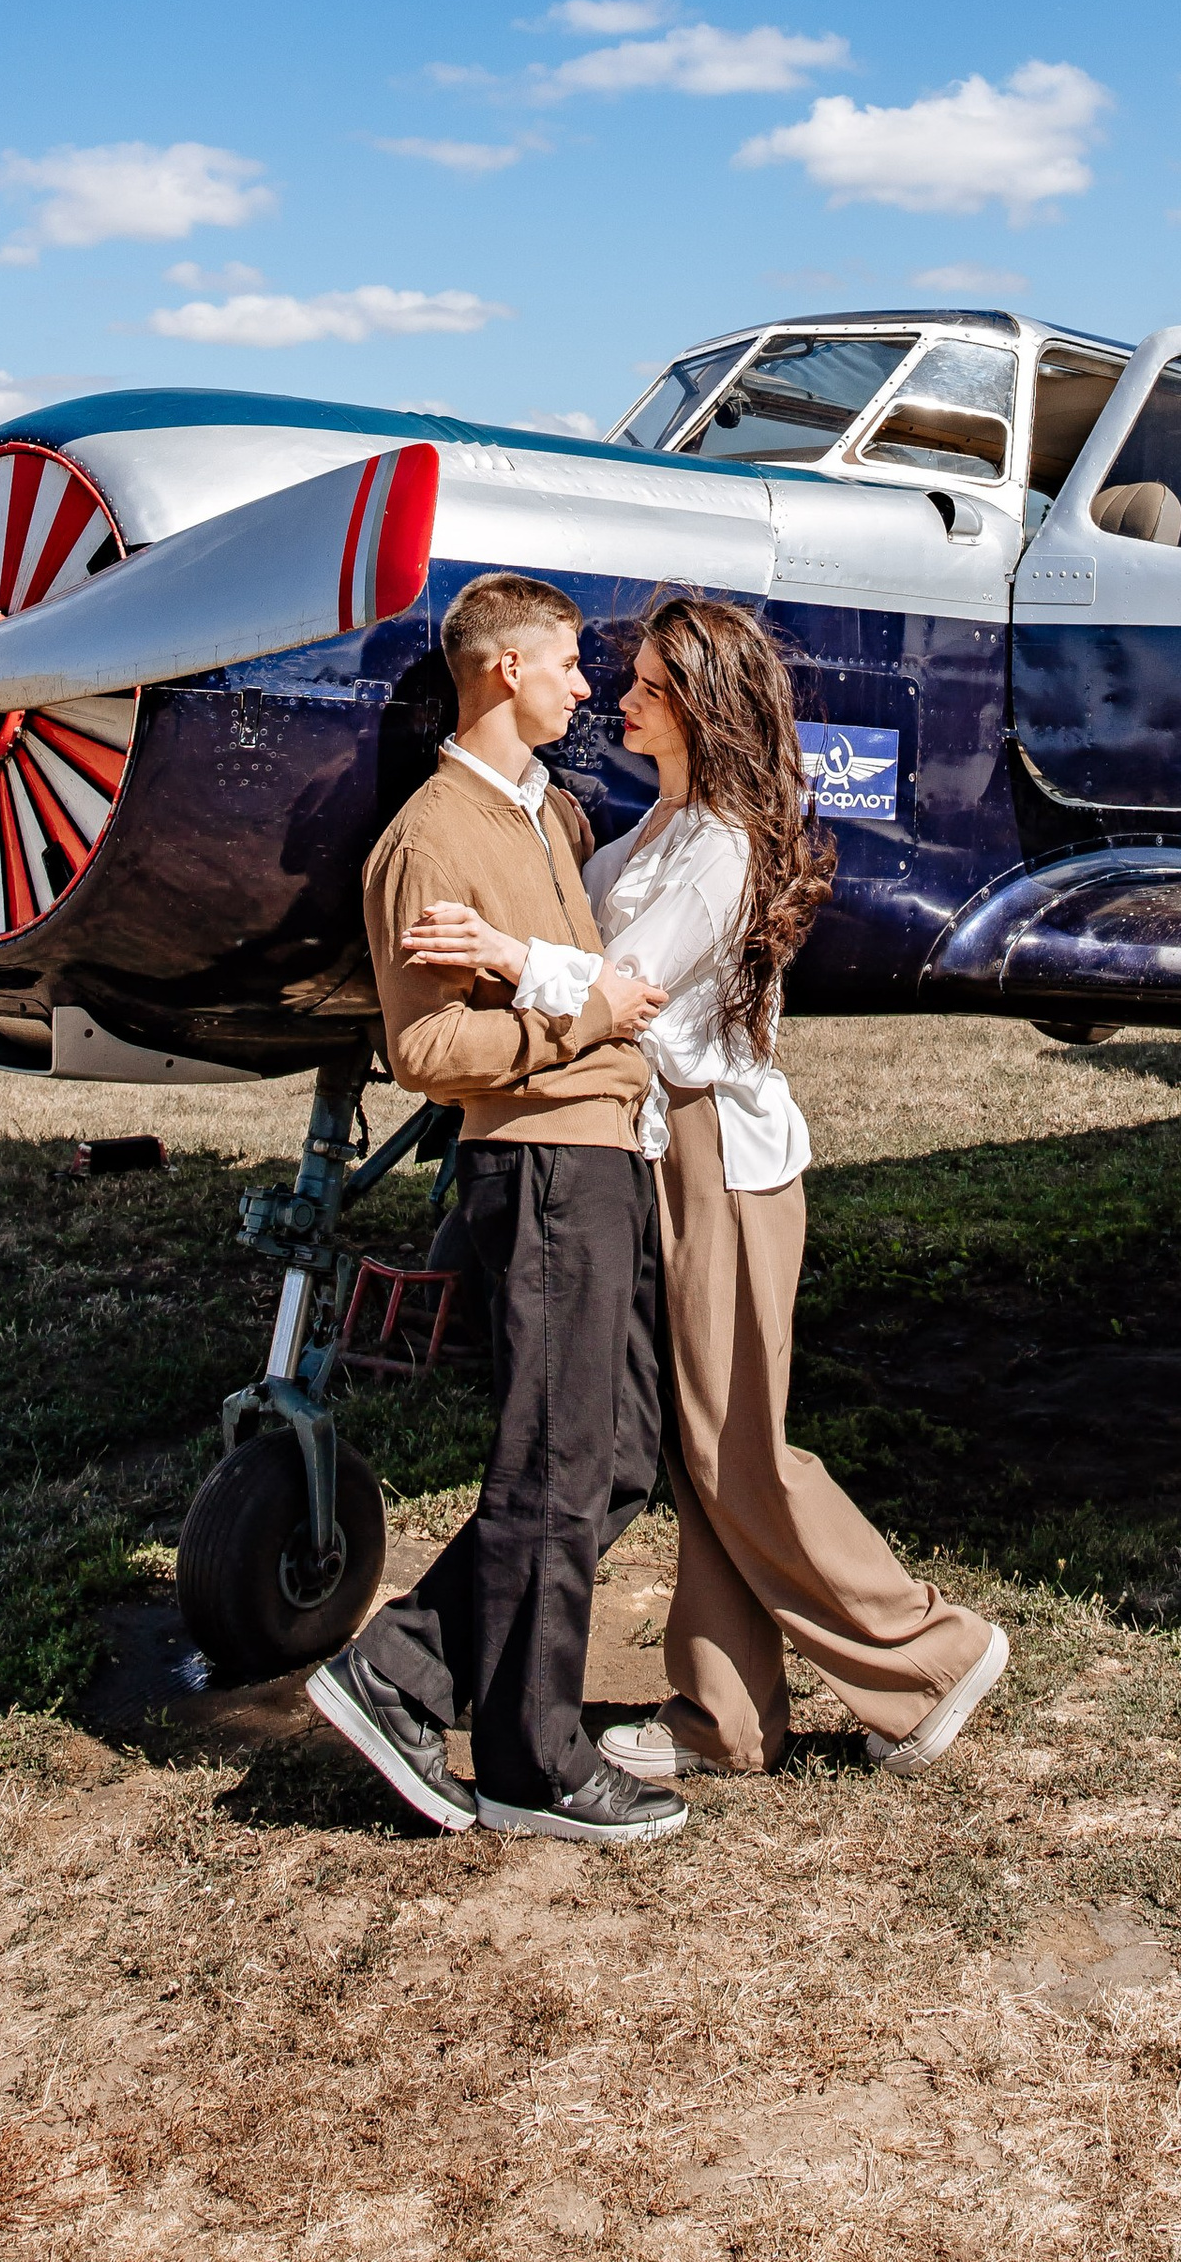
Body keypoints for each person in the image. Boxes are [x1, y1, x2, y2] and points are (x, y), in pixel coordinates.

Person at [404, 593, 1007, 1783]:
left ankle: (930, 1654)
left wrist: (507, 954)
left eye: (639, 687)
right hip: (654, 1142)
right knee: (697, 1441)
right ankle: (727, 1714)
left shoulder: (725, 842)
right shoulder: (663, 826)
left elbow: (629, 979)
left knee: (739, 1446)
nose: (614, 700)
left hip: (715, 1155)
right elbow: (573, 886)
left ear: (694, 708)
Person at [308, 570, 683, 1845]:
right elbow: (424, 1052)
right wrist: (584, 1017)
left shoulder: (547, 821)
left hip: (601, 1156)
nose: (586, 689)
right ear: (504, 672)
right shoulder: (433, 839)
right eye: (570, 665)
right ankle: (535, 1756)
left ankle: (404, 1670)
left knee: (623, 1448)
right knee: (556, 1457)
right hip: (538, 1167)